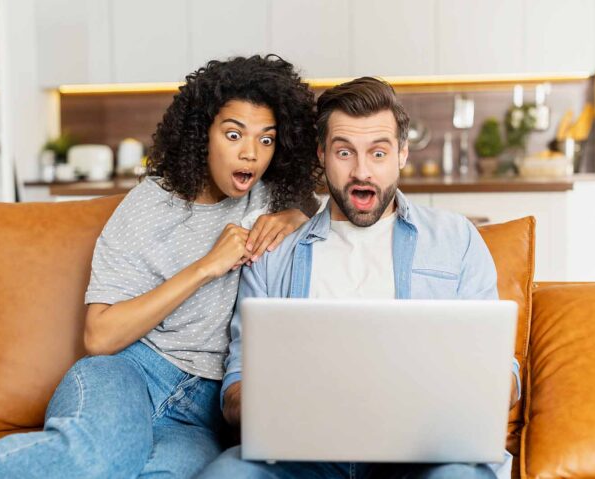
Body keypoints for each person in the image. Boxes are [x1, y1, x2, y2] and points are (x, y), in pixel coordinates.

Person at [0, 55, 321, 479]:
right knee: (94, 457)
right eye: (233, 134)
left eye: (267, 140)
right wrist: (207, 265)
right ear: (202, 135)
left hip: (200, 412)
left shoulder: (271, 200)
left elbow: (331, 215)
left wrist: (297, 217)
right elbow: (100, 336)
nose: (251, 153)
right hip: (127, 373)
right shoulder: (149, 205)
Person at [199, 77, 521, 479]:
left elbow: (501, 377)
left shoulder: (456, 240)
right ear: (322, 155)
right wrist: (291, 403)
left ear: (402, 154)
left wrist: (461, 396)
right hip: (303, 458)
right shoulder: (271, 254)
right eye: (344, 152)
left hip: (423, 456)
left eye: (379, 152)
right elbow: (234, 394)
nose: (361, 171)